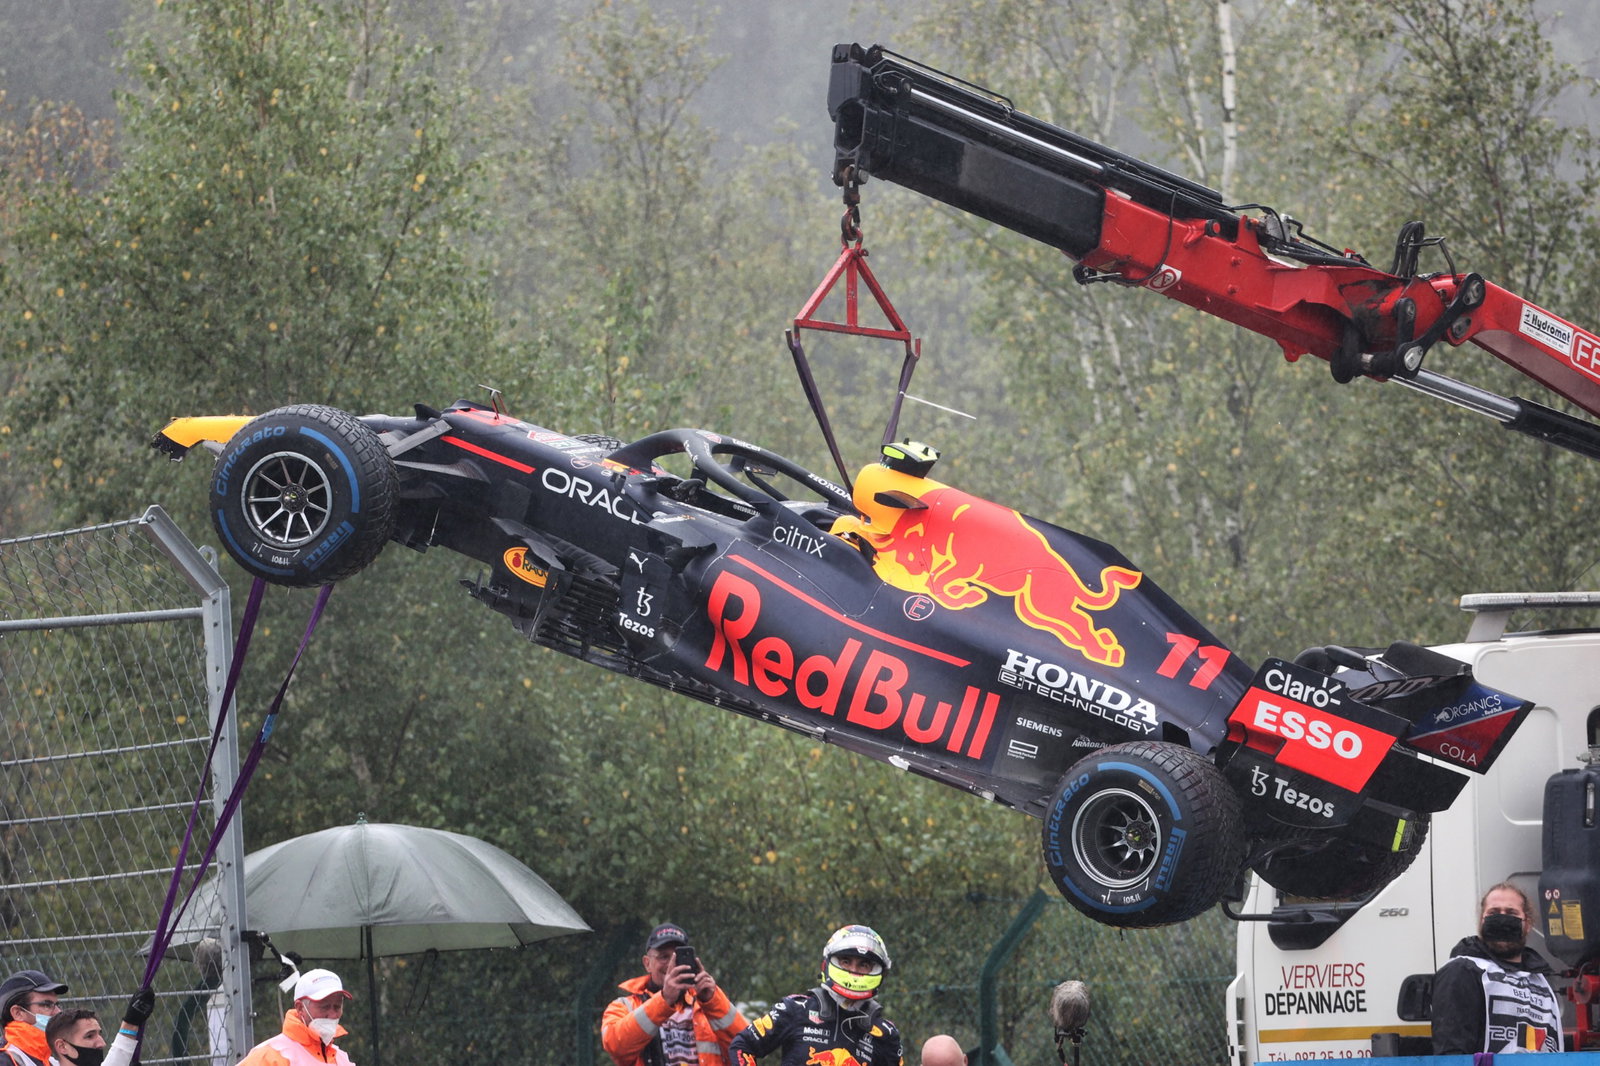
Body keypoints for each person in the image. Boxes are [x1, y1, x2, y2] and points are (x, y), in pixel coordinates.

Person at [728, 924, 904, 1066]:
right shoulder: (796, 1009)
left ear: (879, 973)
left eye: (863, 965)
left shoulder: (886, 1034)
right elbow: (742, 1046)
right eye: (846, 961)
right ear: (827, 964)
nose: (853, 970)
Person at [1430, 882, 1564, 1054]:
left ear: (1528, 923)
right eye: (1493, 913)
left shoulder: (1541, 980)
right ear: (1481, 921)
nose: (1502, 918)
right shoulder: (1462, 972)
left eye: (1511, 913)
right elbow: (1451, 1050)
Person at [601, 923, 747, 1066]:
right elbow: (615, 1047)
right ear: (647, 963)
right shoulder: (624, 1006)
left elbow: (747, 1048)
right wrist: (664, 999)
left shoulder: (709, 1005)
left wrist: (712, 1001)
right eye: (664, 957)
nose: (671, 965)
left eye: (678, 957)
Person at [235, 968, 355, 1066]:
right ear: (300, 1008)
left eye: (337, 1007)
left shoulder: (342, 1059)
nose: (332, 1015)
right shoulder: (269, 1056)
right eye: (324, 1007)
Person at [1, 969, 68, 1066]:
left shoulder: (52, 1062)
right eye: (46, 1005)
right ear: (18, 1013)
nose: (58, 1011)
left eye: (57, 1004)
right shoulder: (5, 1060)